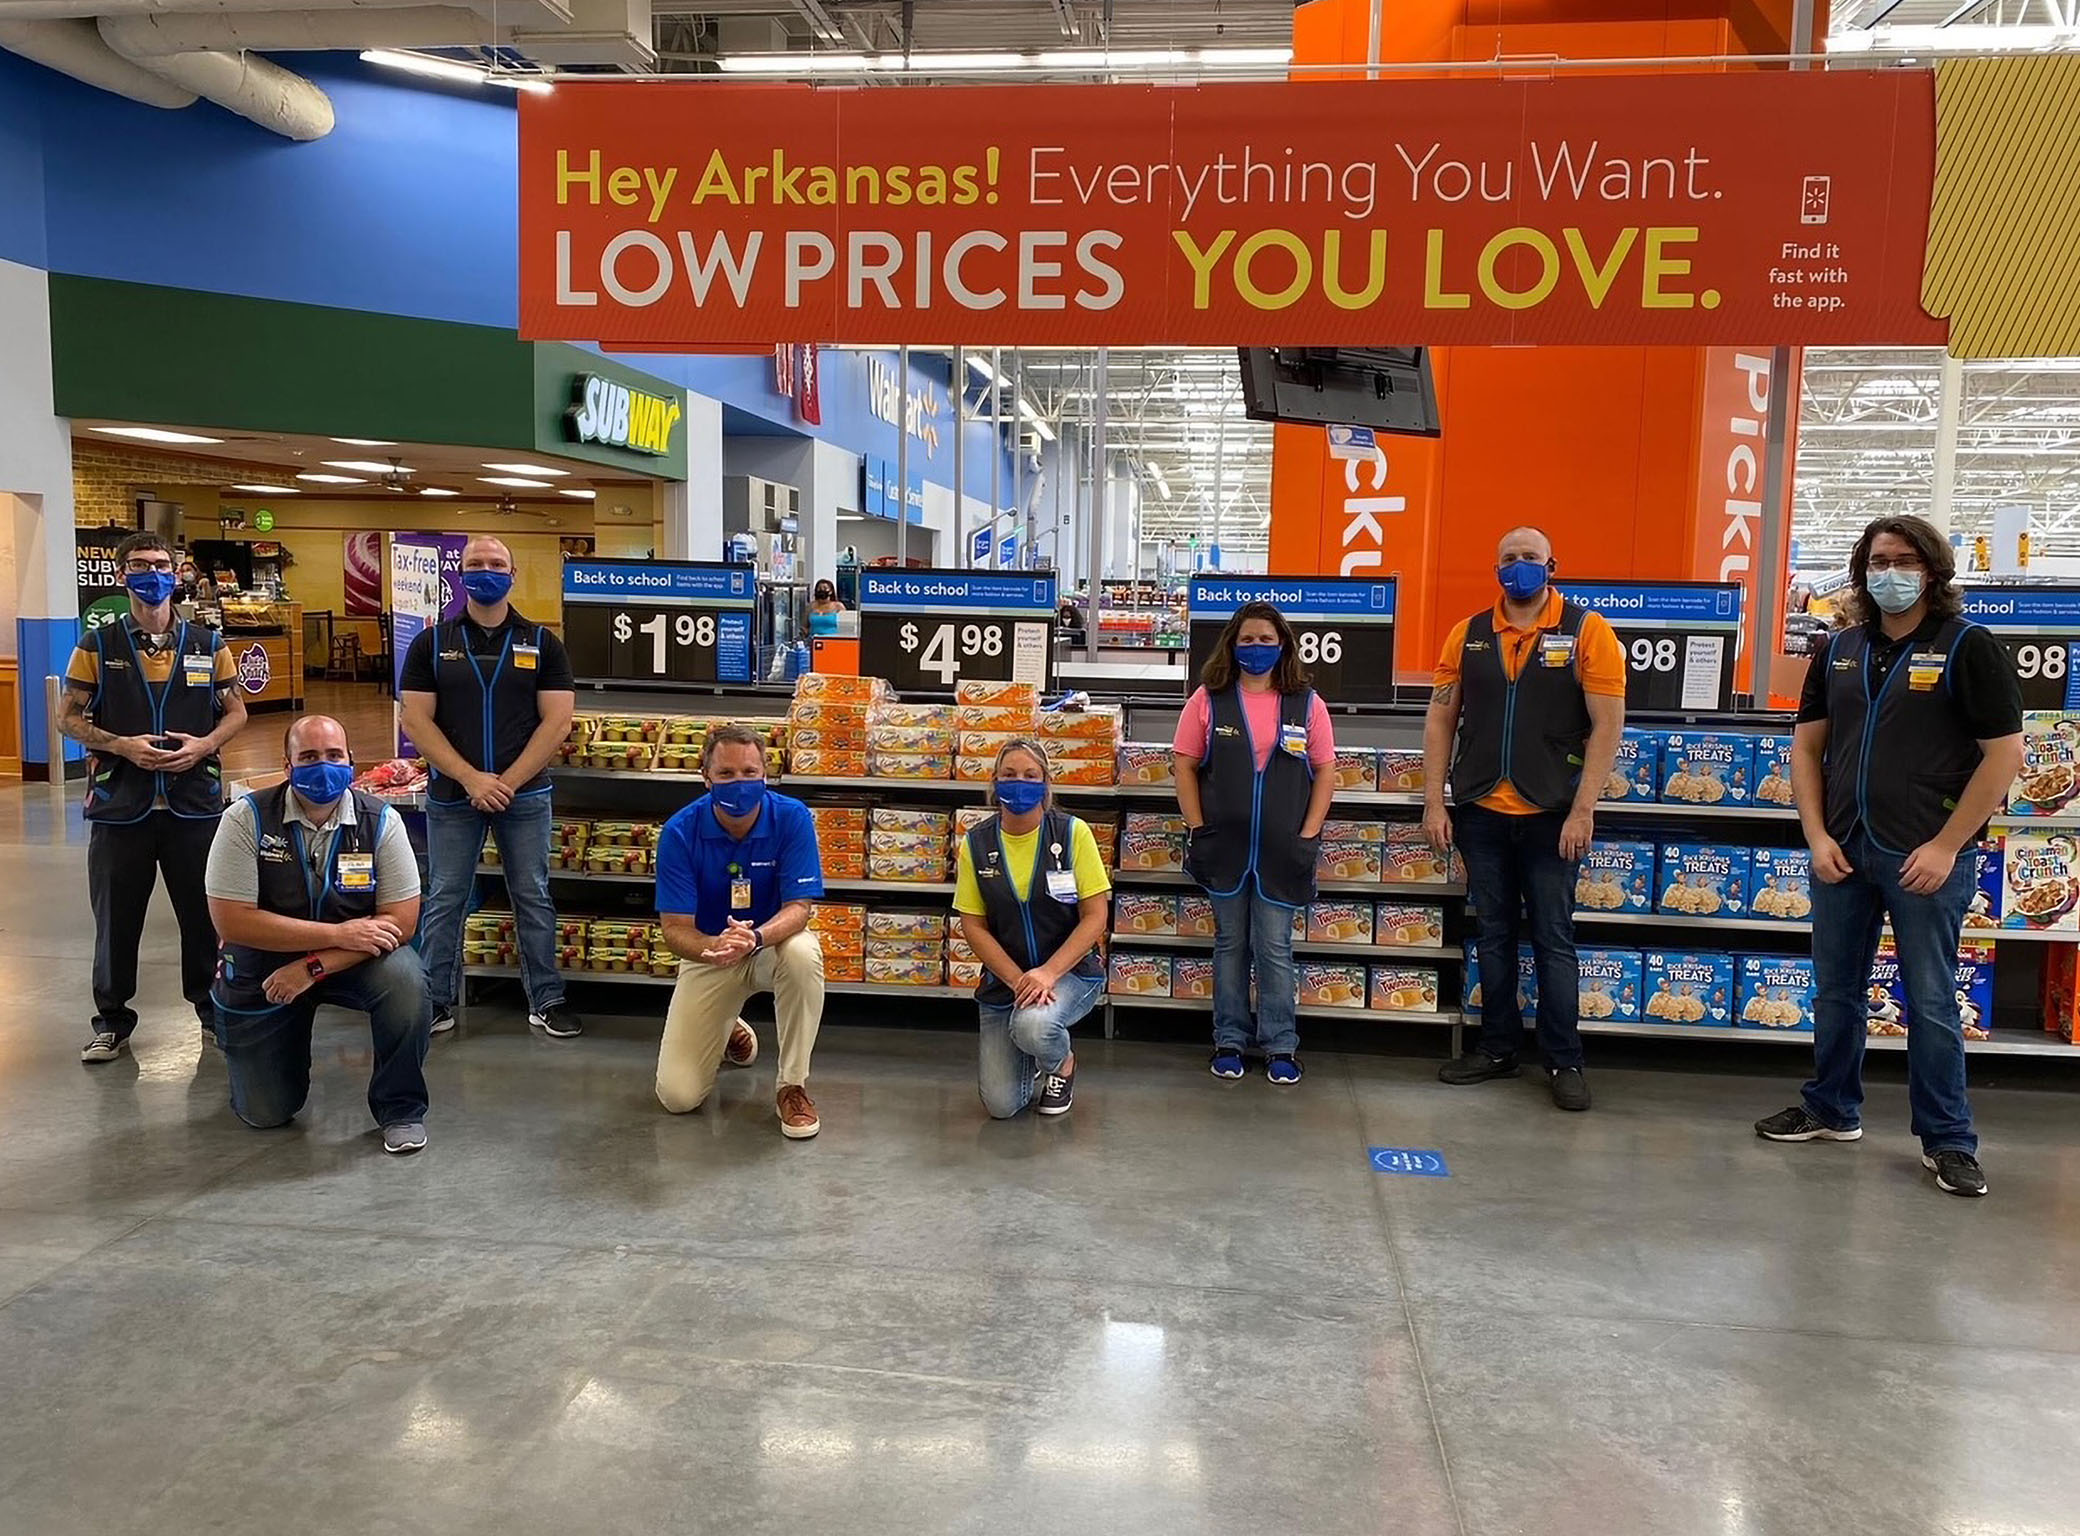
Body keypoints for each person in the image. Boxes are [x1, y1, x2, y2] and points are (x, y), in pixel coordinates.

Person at [1756, 515, 2022, 1198]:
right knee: (1834, 990)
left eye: (1904, 561)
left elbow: (2004, 758)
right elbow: (1807, 749)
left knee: (1931, 1001)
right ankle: (1830, 1109)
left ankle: (1949, 1141)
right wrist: (1816, 835)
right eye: (1877, 561)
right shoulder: (1840, 648)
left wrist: (1946, 844)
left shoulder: (1970, 648)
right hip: (1844, 851)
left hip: (1925, 859)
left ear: (1933, 570)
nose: (1889, 573)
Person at [1424, 526, 1627, 1112]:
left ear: (1552, 566)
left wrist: (1583, 808)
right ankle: (1497, 1048)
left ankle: (1564, 1059)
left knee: (1553, 939)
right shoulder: (1467, 635)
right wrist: (1436, 800)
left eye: (1530, 558)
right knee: (1492, 935)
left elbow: (1607, 724)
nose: (1519, 568)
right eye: (1509, 559)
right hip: (1480, 811)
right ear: (1496, 569)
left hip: (1552, 814)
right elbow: (1441, 720)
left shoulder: (1588, 631)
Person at [204, 716, 432, 1154]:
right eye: (308, 757)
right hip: (265, 964)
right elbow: (233, 922)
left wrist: (314, 964)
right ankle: (267, 1065)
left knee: (405, 978)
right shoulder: (244, 819)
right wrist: (341, 933)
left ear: (351, 761)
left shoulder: (381, 822)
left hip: (350, 962)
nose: (322, 766)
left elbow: (401, 923)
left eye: (333, 756)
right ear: (287, 766)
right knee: (266, 1113)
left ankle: (401, 1108)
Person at [62, 530, 248, 1062]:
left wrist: (204, 745)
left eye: (163, 564)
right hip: (122, 806)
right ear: (123, 575)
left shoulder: (209, 644)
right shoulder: (98, 644)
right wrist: (121, 745)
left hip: (195, 804)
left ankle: (212, 1014)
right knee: (116, 921)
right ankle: (112, 1021)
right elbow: (67, 715)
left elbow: (235, 710)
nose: (153, 573)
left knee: (204, 917)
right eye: (141, 564)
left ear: (179, 572)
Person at [400, 535, 581, 1039]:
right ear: (459, 573)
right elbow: (416, 720)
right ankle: (433, 1002)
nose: (486, 571)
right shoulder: (431, 644)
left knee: (533, 895)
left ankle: (547, 998)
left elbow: (557, 721)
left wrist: (507, 782)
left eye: (496, 563)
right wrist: (470, 778)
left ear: (513, 574)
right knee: (445, 897)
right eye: (475, 563)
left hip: (524, 794)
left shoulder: (543, 642)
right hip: (453, 795)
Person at [1173, 601, 1336, 1085]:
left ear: (1283, 644)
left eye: (1267, 639)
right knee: (1229, 945)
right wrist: (1198, 827)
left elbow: (1326, 770)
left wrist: (1308, 834)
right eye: (1247, 640)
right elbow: (1183, 764)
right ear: (1232, 644)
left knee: (1273, 948)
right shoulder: (1208, 699)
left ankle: (1281, 1046)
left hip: (1283, 852)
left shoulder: (1307, 703)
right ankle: (1229, 1041)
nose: (1257, 648)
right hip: (1224, 849)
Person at [653, 722, 827, 1138]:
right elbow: (675, 929)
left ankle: (792, 1086)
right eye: (727, 774)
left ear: (766, 773)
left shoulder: (792, 818)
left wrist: (756, 937)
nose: (740, 783)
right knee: (678, 1098)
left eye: (750, 773)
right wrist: (714, 945)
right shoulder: (679, 831)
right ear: (705, 777)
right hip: (710, 956)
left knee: (803, 952)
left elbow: (799, 909)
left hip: (770, 947)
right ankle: (727, 1022)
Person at [954, 740, 1112, 1118]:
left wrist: (1047, 973)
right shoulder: (976, 844)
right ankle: (1031, 1045)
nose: (1019, 783)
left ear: (1046, 783)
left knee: (1034, 1026)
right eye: (1009, 775)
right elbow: (972, 925)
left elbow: (1096, 916)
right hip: (1005, 983)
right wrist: (1017, 980)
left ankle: (1061, 1064)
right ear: (994, 782)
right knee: (1001, 1106)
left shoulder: (1073, 834)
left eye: (1030, 775)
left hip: (1070, 973)